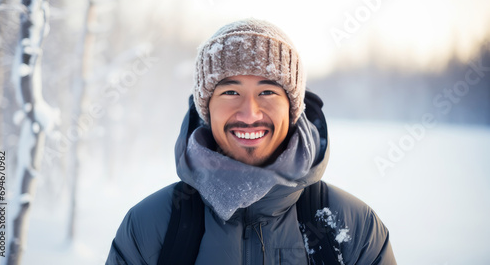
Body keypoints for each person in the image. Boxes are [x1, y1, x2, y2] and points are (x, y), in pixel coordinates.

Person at [106, 19, 396, 265]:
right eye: (231, 92)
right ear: (206, 109)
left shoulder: (353, 227)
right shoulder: (149, 226)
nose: (249, 113)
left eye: (267, 92)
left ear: (293, 109)